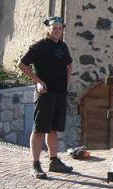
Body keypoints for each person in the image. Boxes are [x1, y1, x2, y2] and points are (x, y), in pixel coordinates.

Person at [18, 16, 74, 179]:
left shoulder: (63, 46)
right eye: (54, 28)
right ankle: (35, 164)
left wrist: (67, 80)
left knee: (53, 129)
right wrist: (38, 81)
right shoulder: (40, 46)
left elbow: (70, 64)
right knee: (40, 129)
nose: (57, 31)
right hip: (45, 93)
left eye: (60, 28)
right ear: (48, 30)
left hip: (59, 93)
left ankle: (54, 161)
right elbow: (22, 64)